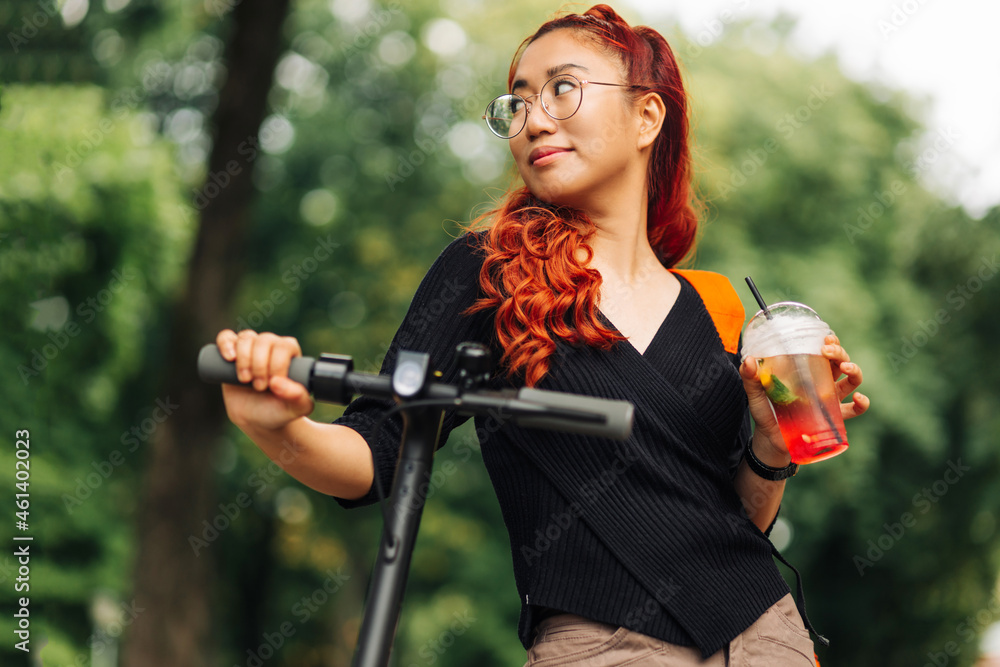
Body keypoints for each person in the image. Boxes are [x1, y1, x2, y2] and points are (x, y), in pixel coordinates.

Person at [215, 4, 869, 665]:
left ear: (647, 117)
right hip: (603, 647)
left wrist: (767, 439)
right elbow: (380, 449)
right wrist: (282, 429)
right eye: (518, 102)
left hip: (768, 638)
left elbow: (737, 520)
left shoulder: (720, 306)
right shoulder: (487, 270)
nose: (533, 119)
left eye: (562, 88)